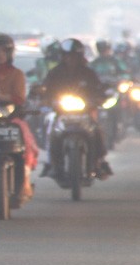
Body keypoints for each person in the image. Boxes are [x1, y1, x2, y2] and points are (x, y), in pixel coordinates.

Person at [40, 38, 114, 179]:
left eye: (74, 56)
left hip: (85, 112)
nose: (71, 59)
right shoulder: (55, 73)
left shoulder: (88, 73)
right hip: (61, 112)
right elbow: (46, 89)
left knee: (96, 130)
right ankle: (53, 163)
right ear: (63, 56)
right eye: (68, 56)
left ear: (80, 57)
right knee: (52, 131)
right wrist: (44, 98)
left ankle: (99, 162)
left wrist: (100, 97)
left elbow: (98, 89)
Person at [0, 33, 39, 201]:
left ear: (10, 53)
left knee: (22, 146)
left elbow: (19, 98)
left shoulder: (17, 74)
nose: (0, 54)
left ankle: (21, 186)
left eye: (3, 51)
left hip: (13, 117)